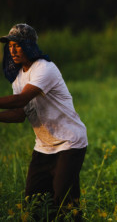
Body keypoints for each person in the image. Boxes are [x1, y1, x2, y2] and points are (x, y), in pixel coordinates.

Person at [0, 24, 88, 220]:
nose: (12, 50)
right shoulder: (18, 78)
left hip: (69, 143)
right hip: (44, 147)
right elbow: (19, 114)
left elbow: (20, 100)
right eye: (10, 46)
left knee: (64, 203)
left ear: (29, 46)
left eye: (18, 45)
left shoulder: (45, 68)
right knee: (34, 204)